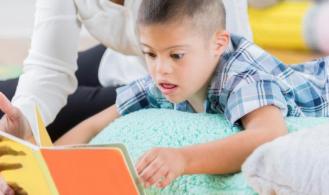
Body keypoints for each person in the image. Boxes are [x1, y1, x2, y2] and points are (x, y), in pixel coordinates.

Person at [55, 0, 329, 189]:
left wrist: (183, 159)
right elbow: (99, 122)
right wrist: (48, 162)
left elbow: (268, 134)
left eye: (176, 55)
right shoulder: (165, 77)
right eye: (149, 53)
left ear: (218, 44)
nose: (161, 70)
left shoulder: (241, 75)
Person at [0, 0, 252, 143]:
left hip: (173, 85)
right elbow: (49, 67)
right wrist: (24, 125)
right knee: (9, 103)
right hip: (122, 60)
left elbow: (227, 62)